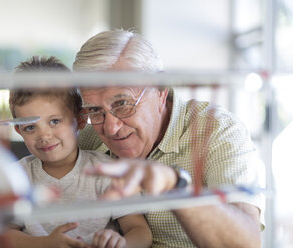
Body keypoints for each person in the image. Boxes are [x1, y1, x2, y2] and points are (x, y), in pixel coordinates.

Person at [73, 30, 264, 248]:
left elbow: (245, 244)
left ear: (160, 90)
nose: (111, 128)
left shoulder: (218, 131)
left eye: (122, 104)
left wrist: (176, 187)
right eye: (95, 110)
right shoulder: (85, 142)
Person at [0, 56, 152, 248]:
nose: (44, 136)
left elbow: (140, 231)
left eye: (54, 121)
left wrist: (122, 243)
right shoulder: (16, 177)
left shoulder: (107, 171)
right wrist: (45, 244)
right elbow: (3, 237)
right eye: (30, 127)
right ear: (18, 131)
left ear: (80, 120)